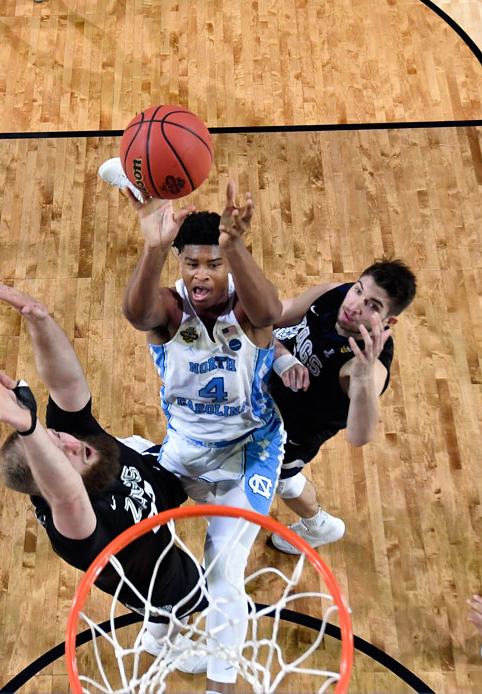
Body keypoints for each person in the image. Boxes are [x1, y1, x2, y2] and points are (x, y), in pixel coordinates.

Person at [0, 281, 208, 672]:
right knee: (181, 605)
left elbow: (66, 383)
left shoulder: (74, 441)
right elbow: (68, 494)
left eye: (60, 438)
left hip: (151, 478)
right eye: (61, 453)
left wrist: (41, 322)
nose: (73, 444)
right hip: (153, 576)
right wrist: (28, 428)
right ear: (46, 483)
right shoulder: (73, 530)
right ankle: (161, 643)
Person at [110, 159, 285, 694]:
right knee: (128, 516)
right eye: (191, 264)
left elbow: (270, 312)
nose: (201, 275)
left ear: (228, 265)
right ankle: (161, 622)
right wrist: (153, 248)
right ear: (180, 263)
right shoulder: (170, 307)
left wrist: (236, 246)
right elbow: (136, 314)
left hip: (246, 455)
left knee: (224, 570)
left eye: (213, 264)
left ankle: (220, 686)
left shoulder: (246, 309)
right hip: (183, 450)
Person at [265, 259, 417, 554]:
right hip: (270, 381)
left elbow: (360, 436)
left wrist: (363, 377)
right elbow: (272, 316)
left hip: (293, 429)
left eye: (373, 306)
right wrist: (280, 354)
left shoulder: (366, 366)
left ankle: (318, 525)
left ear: (389, 321)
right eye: (359, 290)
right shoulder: (335, 294)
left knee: (282, 480)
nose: (356, 305)